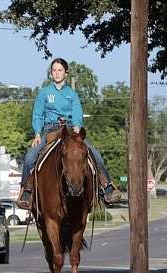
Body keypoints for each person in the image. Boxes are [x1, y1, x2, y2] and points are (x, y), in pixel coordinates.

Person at [17, 57, 121, 210]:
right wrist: (38, 133)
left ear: (66, 73)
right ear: (51, 73)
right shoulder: (44, 93)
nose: (57, 73)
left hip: (70, 130)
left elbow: (77, 112)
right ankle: (26, 191)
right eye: (54, 70)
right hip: (50, 130)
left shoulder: (72, 94)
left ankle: (107, 187)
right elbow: (38, 114)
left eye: (60, 70)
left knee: (95, 153)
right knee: (30, 157)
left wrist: (78, 126)